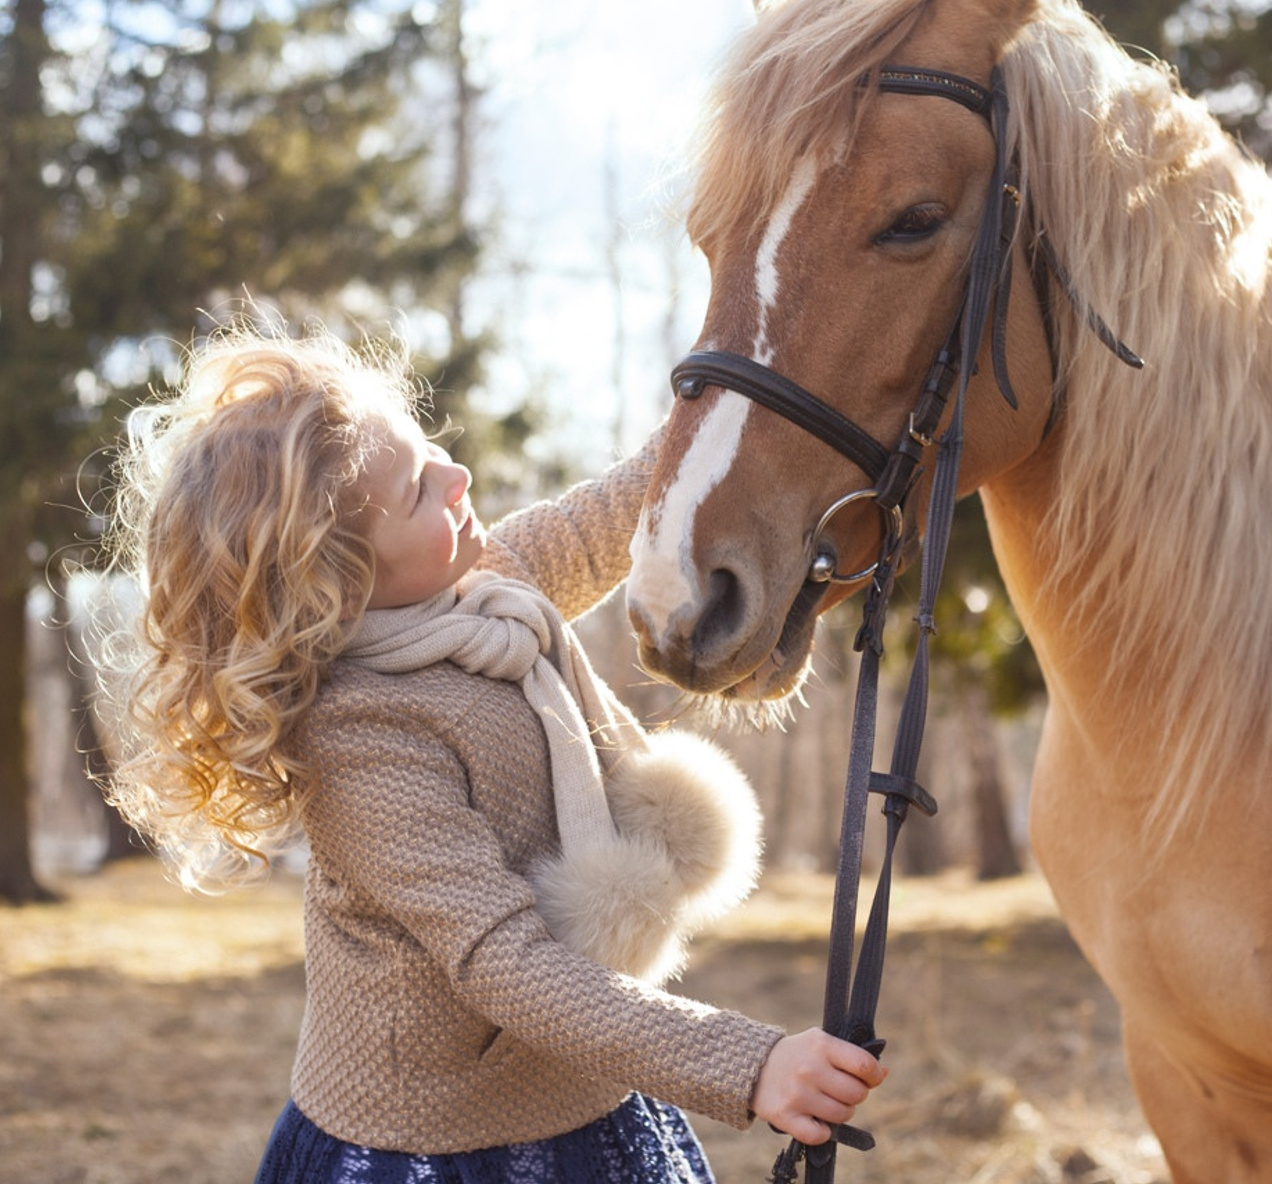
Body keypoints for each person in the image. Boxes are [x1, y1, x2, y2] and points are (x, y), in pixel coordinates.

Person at [100, 325, 886, 1183]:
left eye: (430, 450)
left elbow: (603, 517)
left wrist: (754, 407)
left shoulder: (488, 581)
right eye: (416, 492)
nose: (456, 476)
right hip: (432, 1149)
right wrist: (747, 1062)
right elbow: (504, 965)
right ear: (340, 576)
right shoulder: (364, 739)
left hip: (584, 1080)